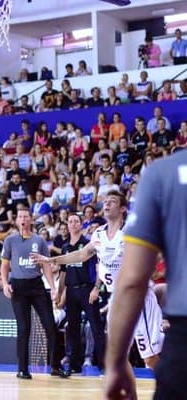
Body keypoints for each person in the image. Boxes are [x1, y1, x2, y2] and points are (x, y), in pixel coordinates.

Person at [32, 190, 164, 370]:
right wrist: (51, 260)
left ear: (123, 208)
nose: (107, 204)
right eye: (106, 201)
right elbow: (81, 254)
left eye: (113, 201)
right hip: (117, 300)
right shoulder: (99, 234)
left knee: (149, 358)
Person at [103, 150, 187, 399]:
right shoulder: (98, 235)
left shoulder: (162, 173)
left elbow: (133, 280)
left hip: (181, 328)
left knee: (154, 359)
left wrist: (115, 362)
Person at [0, 207, 65, 379]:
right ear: (16, 220)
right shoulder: (10, 241)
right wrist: (5, 283)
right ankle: (22, 369)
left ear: (31, 219)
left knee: (50, 325)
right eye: (20, 216)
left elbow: (45, 265)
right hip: (18, 287)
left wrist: (53, 288)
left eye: (26, 216)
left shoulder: (39, 240)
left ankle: (56, 366)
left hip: (36, 285)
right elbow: (5, 265)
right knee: (24, 328)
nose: (23, 219)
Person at [56, 213, 105, 373]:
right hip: (71, 291)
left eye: (76, 221)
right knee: (72, 329)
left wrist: (96, 288)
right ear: (67, 226)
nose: (73, 224)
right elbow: (63, 273)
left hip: (87, 289)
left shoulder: (88, 244)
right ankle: (74, 364)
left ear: (81, 225)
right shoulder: (65, 247)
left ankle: (104, 365)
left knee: (96, 327)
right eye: (70, 221)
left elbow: (100, 268)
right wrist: (59, 292)